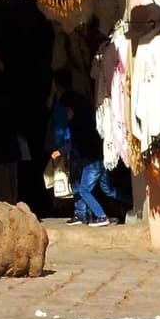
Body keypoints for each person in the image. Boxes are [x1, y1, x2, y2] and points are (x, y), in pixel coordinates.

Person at [49, 88, 120, 225]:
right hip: (98, 160)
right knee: (107, 190)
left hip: (92, 162)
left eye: (68, 110)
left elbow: (75, 143)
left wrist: (60, 151)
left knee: (84, 190)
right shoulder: (86, 120)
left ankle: (101, 216)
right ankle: (128, 203)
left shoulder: (79, 124)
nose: (67, 113)